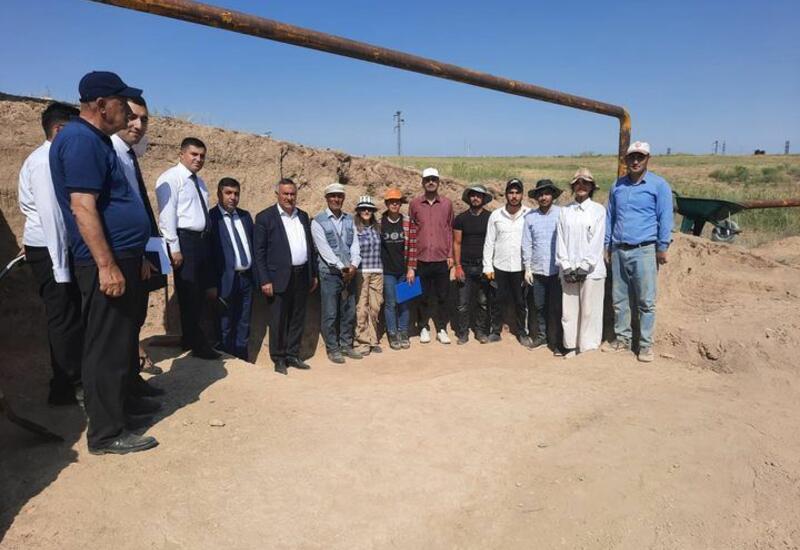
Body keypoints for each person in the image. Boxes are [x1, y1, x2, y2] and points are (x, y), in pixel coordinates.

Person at [50, 71, 157, 454]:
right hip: (104, 261)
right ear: (101, 105)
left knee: (118, 343)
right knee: (105, 349)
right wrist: (107, 265)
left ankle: (120, 412)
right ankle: (106, 434)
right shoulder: (81, 140)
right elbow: (82, 206)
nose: (127, 112)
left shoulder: (94, 140)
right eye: (121, 103)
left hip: (121, 256)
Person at [18, 101, 84, 406]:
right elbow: (51, 216)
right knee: (63, 318)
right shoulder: (45, 162)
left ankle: (73, 378)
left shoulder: (52, 158)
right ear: (59, 129)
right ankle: (66, 386)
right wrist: (61, 267)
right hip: (51, 248)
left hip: (54, 247)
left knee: (71, 315)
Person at [110, 95, 167, 402]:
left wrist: (145, 253)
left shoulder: (129, 155)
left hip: (137, 254)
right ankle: (121, 397)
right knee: (120, 329)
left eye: (144, 119)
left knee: (134, 322)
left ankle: (132, 383)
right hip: (120, 257)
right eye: (132, 116)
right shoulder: (111, 153)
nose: (138, 124)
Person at [603, 141, 674, 363]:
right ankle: (623, 340)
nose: (635, 161)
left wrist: (662, 246)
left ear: (647, 159)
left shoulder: (658, 185)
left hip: (644, 250)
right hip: (619, 249)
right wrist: (607, 245)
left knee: (646, 301)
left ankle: (645, 345)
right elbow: (610, 216)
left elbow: (665, 217)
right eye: (632, 157)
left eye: (640, 157)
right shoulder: (617, 186)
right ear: (626, 159)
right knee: (620, 299)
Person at [156, 137, 220, 360]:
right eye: (194, 154)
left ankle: (191, 339)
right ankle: (197, 344)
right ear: (181, 154)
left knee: (200, 293)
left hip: (202, 241)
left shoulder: (199, 182)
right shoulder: (171, 178)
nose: (198, 159)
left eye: (202, 156)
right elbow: (167, 216)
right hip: (185, 241)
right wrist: (174, 247)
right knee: (190, 293)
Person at [253, 178, 317, 375]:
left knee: (298, 317)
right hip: (278, 278)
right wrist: (264, 279)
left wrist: (313, 274)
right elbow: (259, 252)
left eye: (292, 194)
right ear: (277, 195)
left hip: (301, 275)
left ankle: (292, 355)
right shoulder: (265, 218)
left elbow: (310, 247)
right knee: (278, 319)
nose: (289, 198)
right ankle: (279, 358)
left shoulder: (303, 216)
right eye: (285, 194)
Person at [556, 168, 606, 359]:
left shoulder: (598, 211)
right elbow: (560, 239)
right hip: (569, 269)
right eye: (578, 183)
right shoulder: (565, 211)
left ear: (592, 187)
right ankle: (570, 345)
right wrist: (566, 265)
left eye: (586, 183)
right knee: (569, 311)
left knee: (589, 310)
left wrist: (585, 266)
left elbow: (597, 241)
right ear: (573, 187)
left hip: (591, 271)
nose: (581, 186)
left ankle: (587, 347)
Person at [311, 183, 362, 364]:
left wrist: (354, 264)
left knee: (349, 311)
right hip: (330, 274)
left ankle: (346, 344)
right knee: (330, 312)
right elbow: (324, 249)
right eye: (332, 196)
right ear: (327, 198)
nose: (336, 199)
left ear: (343, 198)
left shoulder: (350, 220)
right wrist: (342, 267)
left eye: (339, 196)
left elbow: (355, 244)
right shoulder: (318, 221)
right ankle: (333, 348)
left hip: (349, 273)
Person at [209, 177, 254, 361]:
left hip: (246, 279)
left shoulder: (245, 216)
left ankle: (243, 360)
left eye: (236, 193)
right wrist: (211, 284)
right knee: (224, 324)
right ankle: (227, 361)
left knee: (244, 322)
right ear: (219, 194)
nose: (233, 197)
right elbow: (207, 255)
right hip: (224, 280)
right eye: (228, 193)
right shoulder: (211, 218)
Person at [483, 178, 532, 347]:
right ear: (506, 194)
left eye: (517, 192)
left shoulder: (529, 215)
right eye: (511, 192)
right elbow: (489, 242)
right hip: (499, 266)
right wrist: (487, 266)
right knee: (497, 300)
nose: (514, 196)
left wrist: (529, 268)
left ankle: (522, 332)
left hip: (520, 267)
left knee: (521, 302)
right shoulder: (496, 215)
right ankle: (495, 331)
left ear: (522, 195)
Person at [409, 168, 454, 344]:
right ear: (422, 182)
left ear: (438, 182)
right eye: (427, 179)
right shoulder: (414, 204)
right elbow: (412, 231)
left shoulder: (447, 204)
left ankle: (441, 329)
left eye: (434, 179)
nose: (430, 182)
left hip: (442, 258)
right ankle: (423, 327)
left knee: (443, 296)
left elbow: (449, 230)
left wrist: (450, 254)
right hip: (421, 259)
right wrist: (411, 261)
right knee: (421, 296)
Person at [522, 179, 564, 354]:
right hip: (538, 270)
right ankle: (541, 336)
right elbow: (527, 244)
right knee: (539, 306)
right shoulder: (530, 217)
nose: (543, 197)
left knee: (557, 307)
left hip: (557, 270)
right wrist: (527, 267)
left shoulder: (562, 214)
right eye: (540, 194)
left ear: (553, 195)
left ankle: (558, 342)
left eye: (547, 194)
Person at [453, 184, 493, 345]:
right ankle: (463, 333)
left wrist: (491, 265)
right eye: (473, 195)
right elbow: (457, 243)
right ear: (469, 198)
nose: (475, 198)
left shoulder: (490, 218)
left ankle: (480, 331)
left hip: (484, 266)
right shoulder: (460, 219)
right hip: (466, 266)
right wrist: (457, 266)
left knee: (483, 302)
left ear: (483, 198)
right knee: (462, 303)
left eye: (479, 195)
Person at [379, 188, 417, 351]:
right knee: (390, 303)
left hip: (404, 270)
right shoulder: (379, 222)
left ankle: (403, 332)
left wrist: (411, 269)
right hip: (387, 271)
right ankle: (392, 333)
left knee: (404, 303)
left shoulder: (408, 221)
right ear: (386, 204)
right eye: (391, 202)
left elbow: (413, 246)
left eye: (397, 202)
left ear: (401, 204)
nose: (394, 204)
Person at [353, 196, 384, 355]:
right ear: (358, 211)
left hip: (377, 271)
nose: (366, 211)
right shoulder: (354, 228)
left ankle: (373, 339)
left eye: (369, 209)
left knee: (375, 306)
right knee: (361, 307)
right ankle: (361, 341)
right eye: (363, 209)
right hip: (361, 272)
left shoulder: (377, 228)